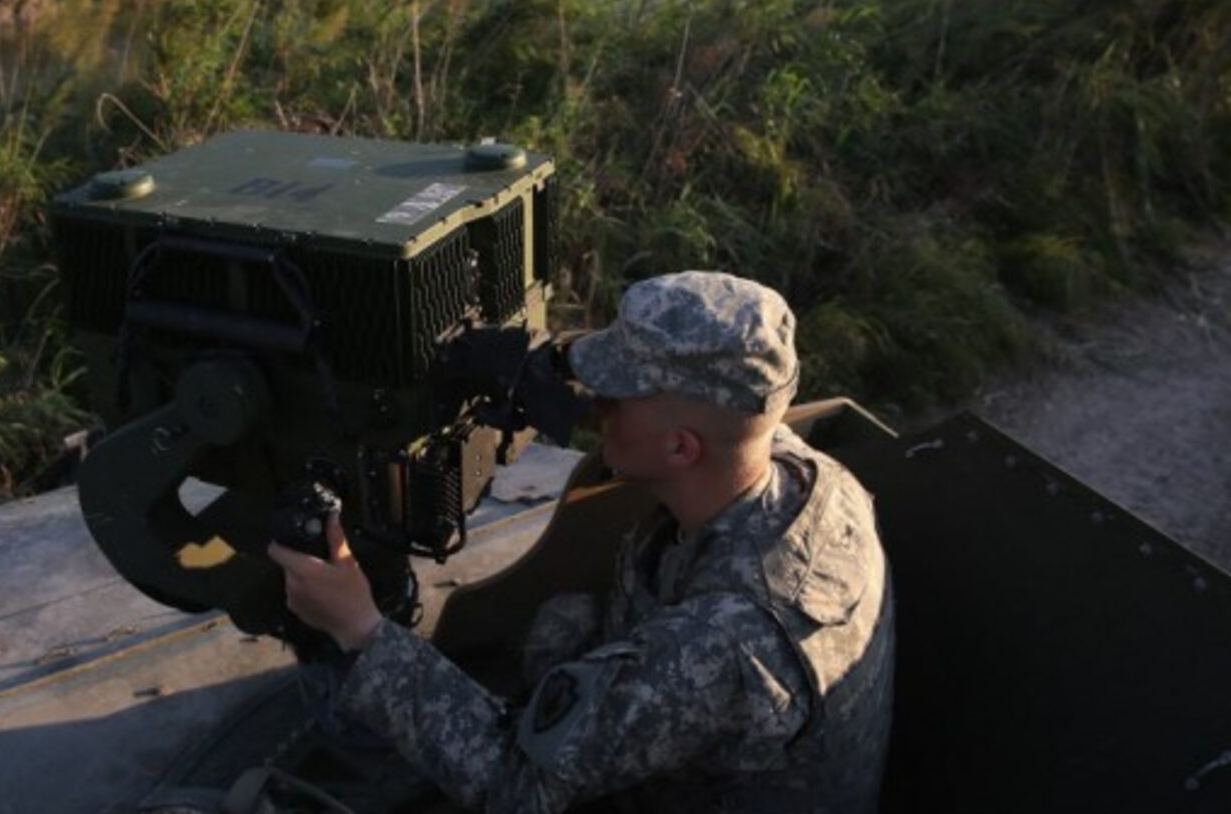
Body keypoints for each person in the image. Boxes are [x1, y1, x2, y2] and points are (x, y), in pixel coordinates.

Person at [268, 272, 895, 813]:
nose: (596, 407)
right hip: (710, 749)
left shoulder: (724, 646)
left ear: (681, 447)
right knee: (562, 624)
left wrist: (360, 629)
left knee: (545, 652)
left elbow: (515, 785)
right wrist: (542, 364)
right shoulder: (783, 461)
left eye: (615, 395)